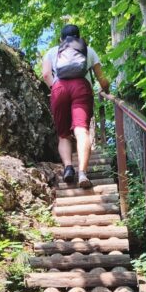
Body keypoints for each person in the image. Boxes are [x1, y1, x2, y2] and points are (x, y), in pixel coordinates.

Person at [42, 24, 110, 188]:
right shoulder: (88, 50)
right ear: (79, 37)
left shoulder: (52, 51)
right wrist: (105, 89)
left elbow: (45, 75)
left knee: (64, 134)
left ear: (61, 39)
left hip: (60, 89)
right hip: (81, 88)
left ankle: (68, 168)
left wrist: (55, 87)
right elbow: (102, 78)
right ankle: (82, 174)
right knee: (81, 130)